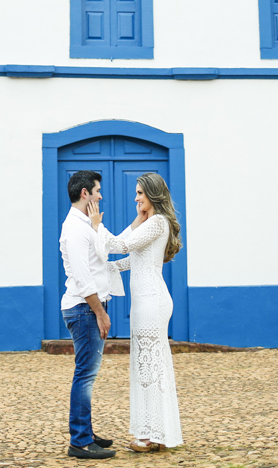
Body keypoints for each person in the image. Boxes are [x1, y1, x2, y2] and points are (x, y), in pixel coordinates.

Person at [90, 171, 184, 452]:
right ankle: (153, 433)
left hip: (152, 301)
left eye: (140, 193)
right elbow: (131, 257)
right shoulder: (150, 222)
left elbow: (120, 245)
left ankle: (153, 435)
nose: (136, 197)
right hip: (146, 300)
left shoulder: (158, 222)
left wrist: (97, 225)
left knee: (150, 369)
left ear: (153, 195)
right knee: (146, 368)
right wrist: (107, 269)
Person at [58, 169, 122, 459]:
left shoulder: (87, 225)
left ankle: (86, 431)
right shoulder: (74, 229)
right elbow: (84, 278)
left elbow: (109, 252)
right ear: (85, 193)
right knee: (85, 375)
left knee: (87, 374)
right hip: (84, 309)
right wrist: (100, 313)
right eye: (97, 191)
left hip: (88, 308)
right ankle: (80, 441)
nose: (101, 195)